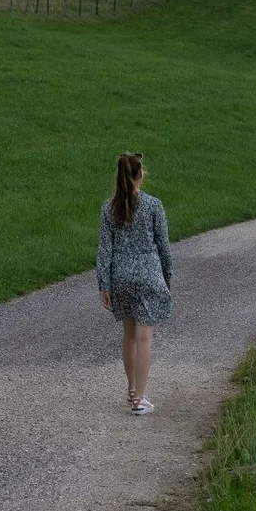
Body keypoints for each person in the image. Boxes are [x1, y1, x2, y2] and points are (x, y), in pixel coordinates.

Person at [96, 152, 172, 415]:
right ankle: (140, 398)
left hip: (121, 277)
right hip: (148, 274)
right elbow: (163, 246)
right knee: (144, 337)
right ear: (140, 175)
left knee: (128, 335)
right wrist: (167, 276)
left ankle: (131, 390)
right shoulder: (153, 205)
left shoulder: (109, 208)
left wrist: (103, 284)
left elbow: (105, 249)